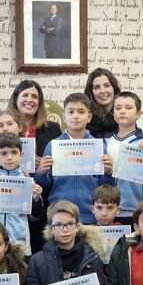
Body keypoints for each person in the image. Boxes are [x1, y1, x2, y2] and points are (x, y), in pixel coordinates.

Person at [35, 93, 114, 225]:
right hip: (59, 217)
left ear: (89, 117)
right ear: (64, 117)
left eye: (81, 112)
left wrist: (108, 172)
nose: (76, 116)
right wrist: (41, 173)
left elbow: (106, 187)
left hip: (91, 217)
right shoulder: (53, 146)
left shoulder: (98, 146)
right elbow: (43, 187)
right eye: (71, 112)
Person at [107, 91, 143, 225]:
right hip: (111, 211)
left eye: (128, 108)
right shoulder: (105, 143)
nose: (123, 111)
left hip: (141, 209)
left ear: (138, 114)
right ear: (113, 113)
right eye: (118, 108)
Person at [6, 80, 62, 157]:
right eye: (25, 95)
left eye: (34, 97)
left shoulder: (53, 128)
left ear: (39, 103)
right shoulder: (4, 126)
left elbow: (59, 159)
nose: (29, 100)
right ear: (16, 99)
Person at [84, 68, 121, 138]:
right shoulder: (85, 117)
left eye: (107, 85)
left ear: (114, 88)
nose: (102, 91)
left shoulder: (125, 114)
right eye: (97, 87)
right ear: (91, 92)